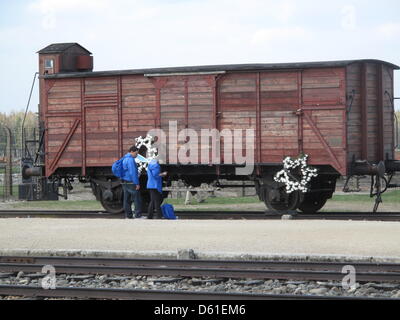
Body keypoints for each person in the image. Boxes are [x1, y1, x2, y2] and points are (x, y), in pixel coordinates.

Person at [121, 146, 143, 219]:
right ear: (132, 152)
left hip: (124, 181)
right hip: (131, 182)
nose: (136, 155)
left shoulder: (124, 158)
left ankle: (128, 215)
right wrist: (137, 183)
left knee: (126, 199)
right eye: (136, 153)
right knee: (137, 198)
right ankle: (138, 215)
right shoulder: (130, 160)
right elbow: (133, 172)